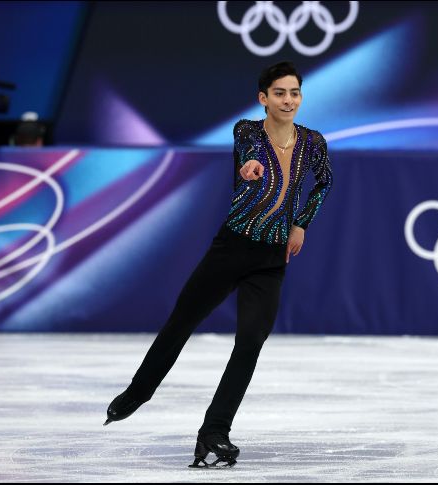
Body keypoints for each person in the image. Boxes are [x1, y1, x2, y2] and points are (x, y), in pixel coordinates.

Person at [103, 61, 333, 469]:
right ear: (263, 98)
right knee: (181, 322)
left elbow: (324, 181)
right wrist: (248, 168)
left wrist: (301, 223)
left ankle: (214, 432)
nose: (288, 100)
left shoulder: (313, 142)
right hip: (232, 248)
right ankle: (137, 393)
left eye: (294, 92)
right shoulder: (247, 131)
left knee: (250, 343)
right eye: (279, 93)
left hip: (271, 258)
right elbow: (246, 155)